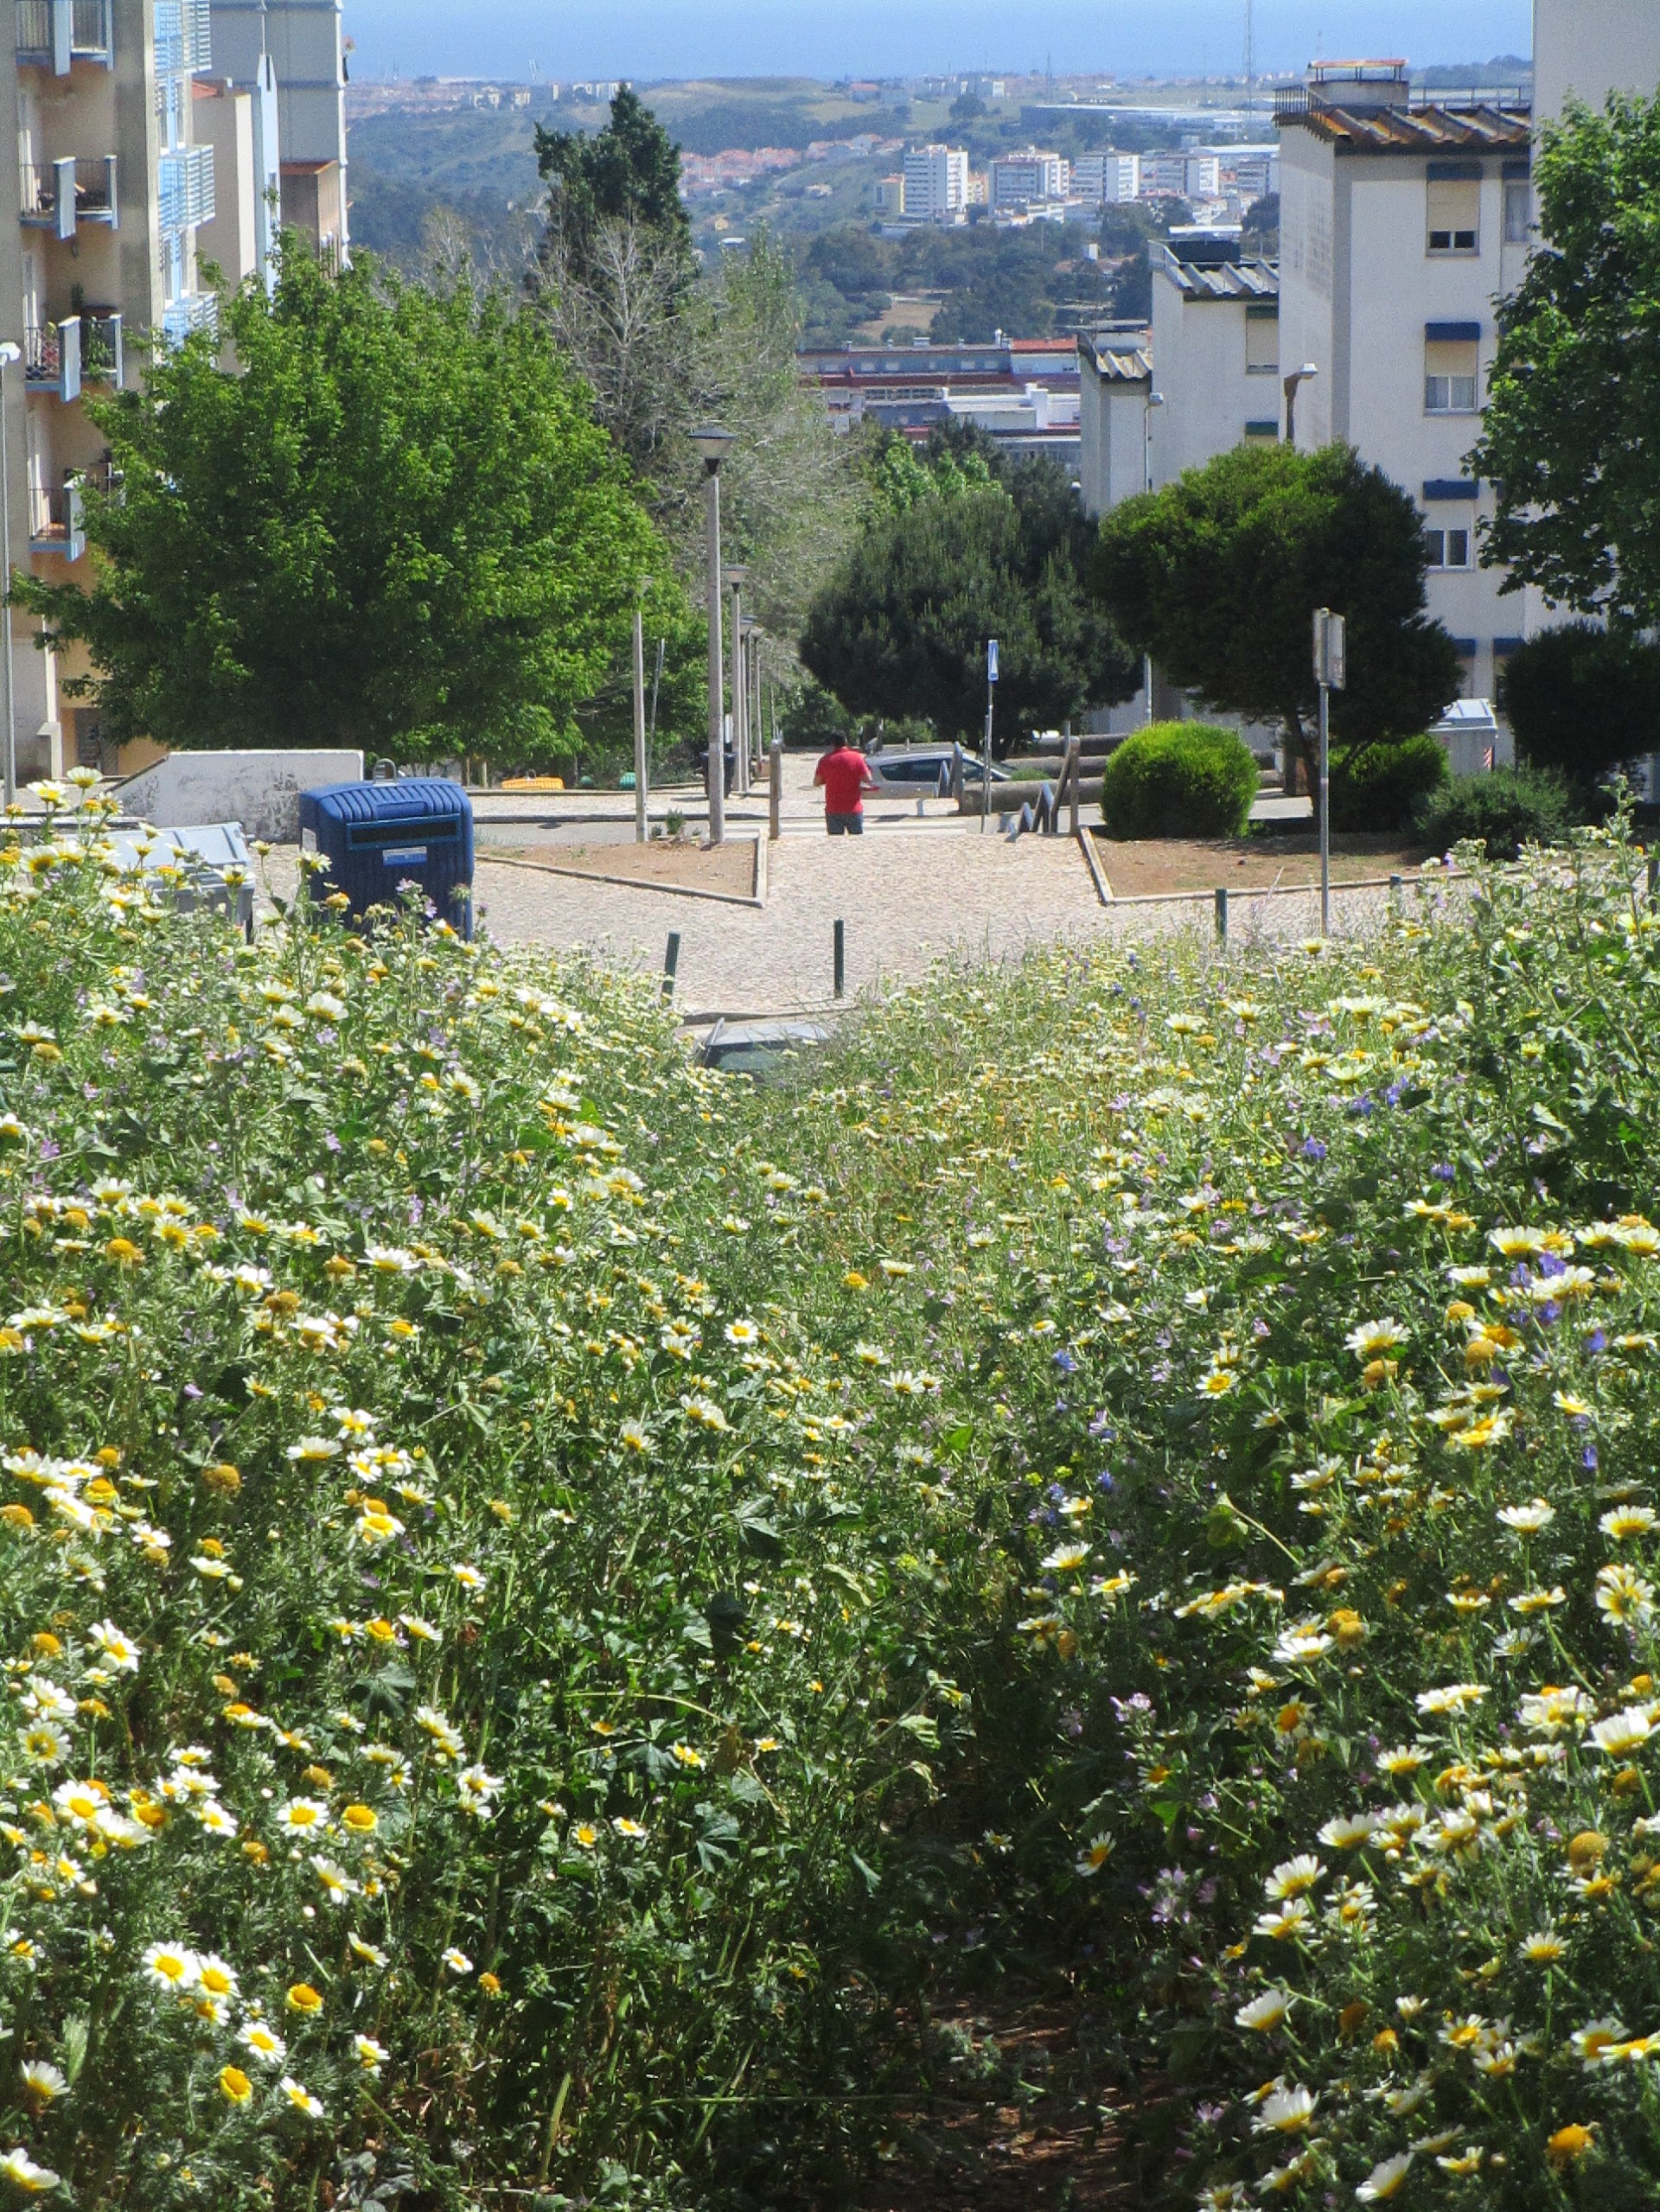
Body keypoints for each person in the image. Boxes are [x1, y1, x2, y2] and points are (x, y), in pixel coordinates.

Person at [813, 731, 877, 835]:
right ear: (846, 741)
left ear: (832, 744)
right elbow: (868, 779)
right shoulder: (856, 758)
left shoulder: (825, 760)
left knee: (836, 844)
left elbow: (816, 782)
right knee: (856, 843)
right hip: (853, 808)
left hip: (833, 808)